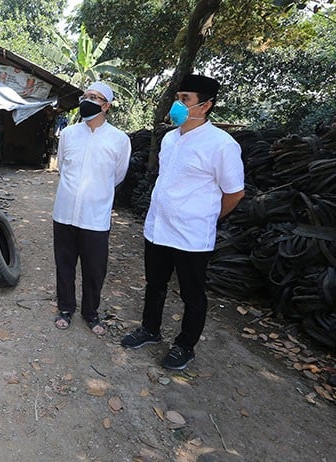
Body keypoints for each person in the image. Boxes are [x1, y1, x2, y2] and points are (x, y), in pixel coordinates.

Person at [121, 74, 245, 370]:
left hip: (191, 235)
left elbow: (235, 192)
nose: (178, 104)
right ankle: (150, 329)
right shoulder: (169, 138)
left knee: (192, 293)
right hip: (158, 228)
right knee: (155, 284)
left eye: (185, 99)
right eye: (178, 97)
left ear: (205, 106)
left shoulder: (221, 145)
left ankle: (184, 346)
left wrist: (208, 217)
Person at [52, 82, 131, 334]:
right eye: (85, 96)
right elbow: (62, 167)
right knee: (64, 264)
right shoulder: (69, 134)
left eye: (94, 97)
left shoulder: (119, 139)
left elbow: (118, 175)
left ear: (106, 106)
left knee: (94, 268)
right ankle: (65, 308)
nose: (87, 100)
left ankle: (91, 312)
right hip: (64, 213)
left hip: (95, 217)